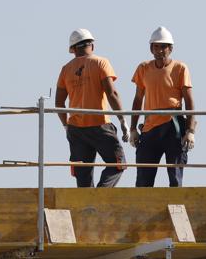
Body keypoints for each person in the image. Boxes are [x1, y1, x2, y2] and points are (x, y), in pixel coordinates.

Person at [56, 28, 128, 188]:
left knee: (82, 174)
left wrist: (66, 126)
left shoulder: (66, 69)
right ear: (92, 46)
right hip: (99, 124)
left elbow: (59, 103)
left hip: (76, 128)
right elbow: (112, 93)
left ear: (73, 49)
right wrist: (123, 120)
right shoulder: (100, 62)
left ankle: (86, 206)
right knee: (117, 164)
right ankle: (100, 195)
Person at [129, 27, 195, 187]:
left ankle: (176, 205)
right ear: (151, 48)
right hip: (150, 127)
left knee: (175, 176)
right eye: (156, 46)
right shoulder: (143, 68)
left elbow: (189, 101)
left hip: (173, 125)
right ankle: (143, 210)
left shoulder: (180, 68)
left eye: (164, 46)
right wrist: (132, 129)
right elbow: (138, 100)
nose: (160, 50)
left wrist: (190, 131)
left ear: (170, 49)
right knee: (144, 177)